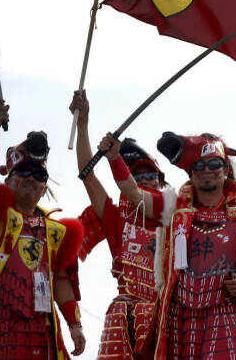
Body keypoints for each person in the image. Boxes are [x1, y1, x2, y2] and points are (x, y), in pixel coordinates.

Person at [100, 130, 236, 360]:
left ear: (226, 169)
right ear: (190, 173)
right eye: (199, 166)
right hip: (181, 317)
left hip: (227, 311)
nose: (207, 171)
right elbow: (134, 194)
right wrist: (114, 158)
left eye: (214, 164)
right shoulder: (173, 207)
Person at [0, 99, 86, 360]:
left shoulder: (57, 233)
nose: (32, 178)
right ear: (7, 180)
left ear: (45, 189)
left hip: (39, 328)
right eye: (24, 172)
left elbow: (62, 280)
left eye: (39, 175)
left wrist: (74, 325)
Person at [71, 90, 166, 360]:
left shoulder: (177, 215)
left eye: (151, 175)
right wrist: (83, 125)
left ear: (161, 180)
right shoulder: (118, 220)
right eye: (137, 175)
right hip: (128, 324)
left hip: (172, 317)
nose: (145, 181)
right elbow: (88, 177)